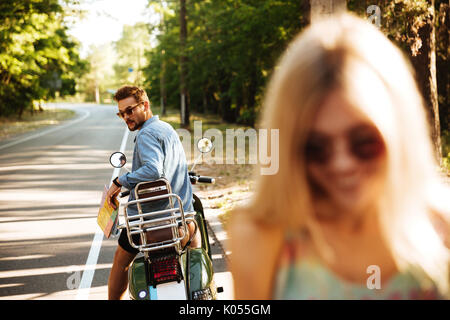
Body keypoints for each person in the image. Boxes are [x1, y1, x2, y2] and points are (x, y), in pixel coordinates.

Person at [229, 13, 450, 299]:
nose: (342, 163)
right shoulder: (260, 239)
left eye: (363, 142)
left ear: (398, 133)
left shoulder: (441, 229)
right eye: (315, 148)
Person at [106, 85, 200, 300]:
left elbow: (154, 170)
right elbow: (167, 167)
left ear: (145, 105)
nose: (126, 117)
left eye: (130, 110)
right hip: (182, 221)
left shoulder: (146, 134)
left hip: (150, 225)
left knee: (121, 260)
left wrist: (121, 180)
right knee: (196, 251)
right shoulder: (166, 128)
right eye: (121, 113)